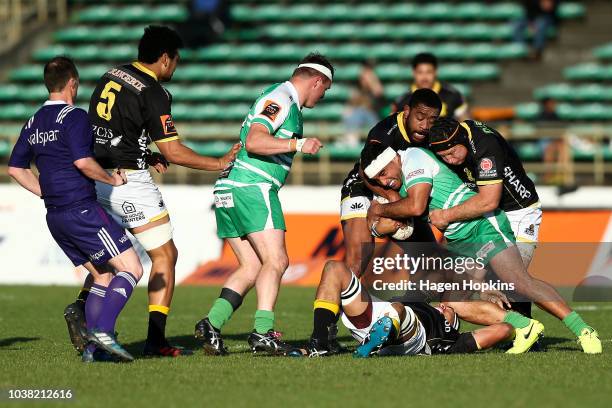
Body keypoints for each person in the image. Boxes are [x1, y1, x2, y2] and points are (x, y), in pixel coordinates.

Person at [76, 25, 239, 357]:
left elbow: (110, 131)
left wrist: (143, 152)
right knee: (165, 256)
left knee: (107, 260)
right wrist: (218, 162)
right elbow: (175, 152)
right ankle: (155, 340)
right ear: (165, 58)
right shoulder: (153, 92)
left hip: (94, 178)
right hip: (128, 183)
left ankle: (82, 306)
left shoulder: (112, 74)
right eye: (176, 60)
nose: (175, 68)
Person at [362, 142, 602, 354]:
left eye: (384, 173)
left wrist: (380, 211)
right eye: (377, 180)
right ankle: (524, 327)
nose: (384, 181)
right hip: (458, 241)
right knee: (454, 302)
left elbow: (415, 206)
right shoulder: (396, 183)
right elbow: (377, 225)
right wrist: (377, 221)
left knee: (518, 282)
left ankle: (583, 330)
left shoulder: (414, 158)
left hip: (482, 226)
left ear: (393, 158)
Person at [7, 56, 145, 362]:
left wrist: (46, 192)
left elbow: (15, 169)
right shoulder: (74, 117)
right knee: (132, 268)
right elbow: (83, 162)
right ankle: (104, 332)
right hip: (81, 210)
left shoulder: (33, 122)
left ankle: (93, 352)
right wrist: (113, 179)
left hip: (55, 215)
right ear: (73, 82)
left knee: (102, 277)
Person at [194, 53, 332, 356]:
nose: (324, 96)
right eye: (326, 88)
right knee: (278, 260)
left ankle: (212, 323)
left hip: (229, 187)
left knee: (253, 265)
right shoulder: (282, 98)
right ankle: (262, 332)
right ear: (317, 80)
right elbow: (256, 141)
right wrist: (298, 143)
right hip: (252, 186)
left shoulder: (278, 96)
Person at [426, 117, 543, 326]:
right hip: (486, 211)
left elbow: (489, 201)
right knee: (464, 280)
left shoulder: (485, 144)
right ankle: (521, 330)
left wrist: (445, 216)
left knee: (513, 281)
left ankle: (548, 328)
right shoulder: (457, 138)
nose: (450, 160)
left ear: (461, 140)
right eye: (443, 157)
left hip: (519, 210)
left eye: (452, 153)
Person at [303, 260, 514, 357]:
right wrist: (482, 288)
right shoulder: (419, 299)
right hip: (380, 315)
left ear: (453, 324)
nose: (443, 305)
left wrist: (515, 328)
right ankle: (319, 343)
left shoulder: (452, 339)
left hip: (412, 337)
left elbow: (502, 329)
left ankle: (382, 332)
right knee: (334, 268)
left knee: (398, 310)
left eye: (450, 311)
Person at [340, 89, 441, 278]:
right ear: (407, 111)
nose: (425, 126)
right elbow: (365, 170)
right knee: (357, 262)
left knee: (431, 261)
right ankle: (336, 305)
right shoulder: (384, 132)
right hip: (364, 187)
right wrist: (391, 197)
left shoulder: (435, 136)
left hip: (404, 195)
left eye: (432, 120)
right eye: (420, 117)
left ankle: (418, 308)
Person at [392, 53, 468, 120]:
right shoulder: (402, 101)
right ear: (413, 73)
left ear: (435, 72)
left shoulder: (452, 95)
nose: (424, 77)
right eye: (420, 72)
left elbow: (466, 123)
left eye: (429, 72)